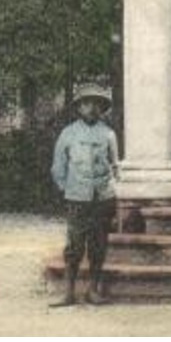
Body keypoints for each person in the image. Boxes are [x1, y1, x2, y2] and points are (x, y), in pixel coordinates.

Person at [50, 81, 119, 306]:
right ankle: (68, 292)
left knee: (98, 245)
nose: (91, 108)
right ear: (79, 108)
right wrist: (67, 189)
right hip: (77, 198)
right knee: (74, 246)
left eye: (96, 104)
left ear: (102, 108)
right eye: (87, 103)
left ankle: (93, 290)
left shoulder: (108, 134)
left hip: (102, 198)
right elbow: (58, 167)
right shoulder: (68, 134)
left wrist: (111, 190)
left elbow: (115, 166)